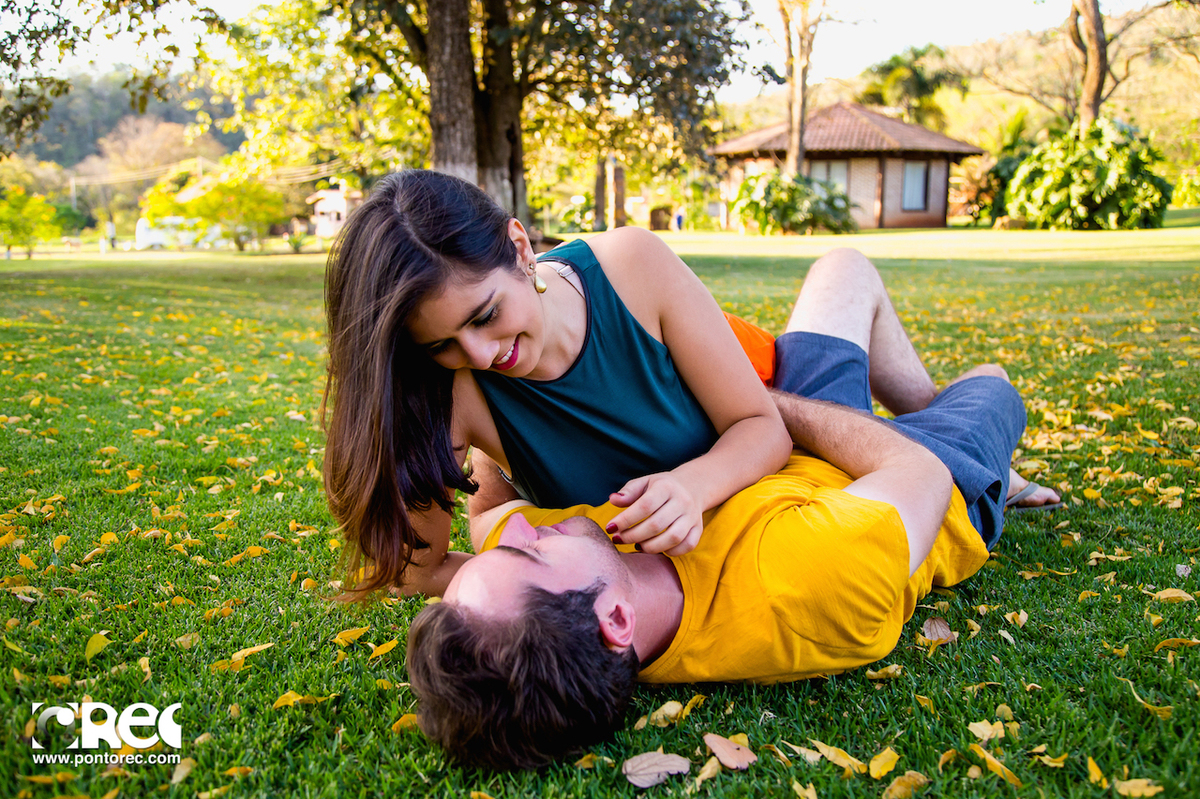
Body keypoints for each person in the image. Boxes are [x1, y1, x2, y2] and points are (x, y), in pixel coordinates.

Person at [406, 356, 1029, 769]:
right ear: (615, 621)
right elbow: (921, 471)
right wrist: (751, 405)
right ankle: (994, 466)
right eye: (528, 553)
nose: (520, 531)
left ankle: (908, 397)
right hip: (925, 475)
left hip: (792, 450)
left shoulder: (584, 564)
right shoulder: (796, 584)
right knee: (991, 382)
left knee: (843, 270)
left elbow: (492, 513)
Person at [322, 170, 792, 598]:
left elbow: (764, 426)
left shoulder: (633, 264)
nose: (480, 357)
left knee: (833, 288)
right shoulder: (445, 390)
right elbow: (418, 572)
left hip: (771, 372)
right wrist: (548, 580)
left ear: (520, 248)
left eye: (486, 315)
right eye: (441, 344)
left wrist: (693, 485)